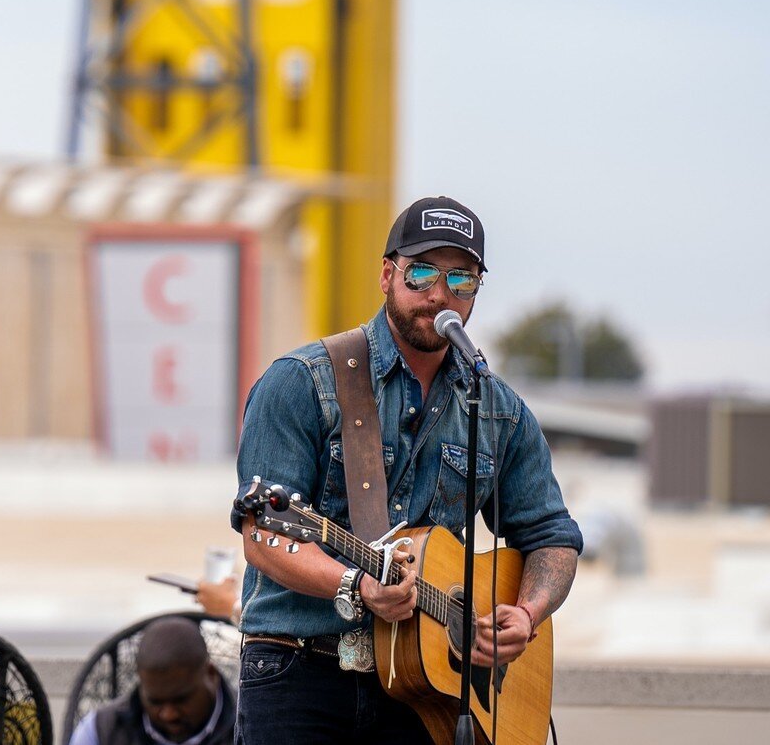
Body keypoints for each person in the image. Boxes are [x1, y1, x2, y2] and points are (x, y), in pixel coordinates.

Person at [230, 195, 583, 744]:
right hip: (300, 671)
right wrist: (354, 583)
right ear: (387, 275)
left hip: (426, 692)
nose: (440, 295)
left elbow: (553, 536)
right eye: (422, 273)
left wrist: (527, 613)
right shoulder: (302, 382)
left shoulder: (496, 408)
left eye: (461, 279)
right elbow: (264, 536)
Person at [68, 615, 236, 745]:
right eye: (155, 702)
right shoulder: (101, 729)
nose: (169, 715)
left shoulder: (253, 722)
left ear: (211, 674)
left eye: (181, 700)